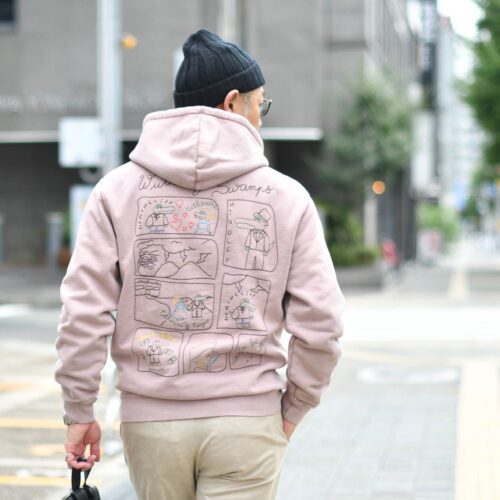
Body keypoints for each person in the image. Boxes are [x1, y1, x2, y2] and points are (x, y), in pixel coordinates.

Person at [55, 28, 345, 500]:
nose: (261, 117)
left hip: (151, 422)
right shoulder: (287, 197)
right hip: (246, 420)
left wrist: (80, 410)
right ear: (233, 103)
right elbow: (322, 323)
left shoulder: (115, 192)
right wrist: (295, 405)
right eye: (261, 105)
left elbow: (83, 313)